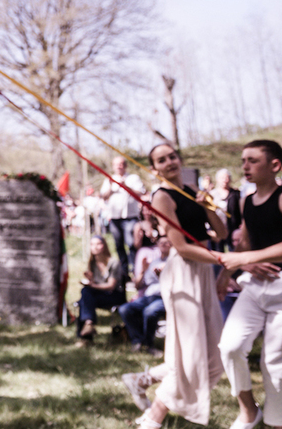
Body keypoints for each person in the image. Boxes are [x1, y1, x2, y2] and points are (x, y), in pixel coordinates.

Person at [122, 143, 227, 428]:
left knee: (213, 353)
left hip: (204, 268)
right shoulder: (162, 197)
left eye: (172, 156)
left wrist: (208, 207)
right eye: (161, 160)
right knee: (190, 353)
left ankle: (142, 380)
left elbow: (220, 232)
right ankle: (153, 418)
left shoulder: (192, 190)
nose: (169, 162)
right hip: (183, 271)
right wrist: (227, 259)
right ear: (154, 168)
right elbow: (181, 247)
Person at [218, 140, 282, 429]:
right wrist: (225, 274)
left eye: (253, 160)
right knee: (230, 347)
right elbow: (245, 242)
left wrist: (245, 258)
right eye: (243, 161)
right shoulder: (246, 201)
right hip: (256, 286)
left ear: (275, 165)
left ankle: (279, 425)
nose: (245, 166)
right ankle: (249, 411)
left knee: (274, 365)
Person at [119, 236, 170, 356]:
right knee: (125, 309)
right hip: (148, 296)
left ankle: (148, 344)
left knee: (150, 312)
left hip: (164, 297)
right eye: (161, 242)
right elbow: (138, 285)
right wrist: (143, 270)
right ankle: (138, 340)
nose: (163, 244)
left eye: (167, 242)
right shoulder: (153, 262)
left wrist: (162, 275)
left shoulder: (174, 262)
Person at [75, 235, 126, 346]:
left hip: (114, 295)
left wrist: (92, 285)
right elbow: (95, 283)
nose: (95, 247)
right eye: (92, 244)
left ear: (104, 246)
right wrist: (90, 279)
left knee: (85, 298)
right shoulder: (92, 263)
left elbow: (111, 286)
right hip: (99, 294)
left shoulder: (113, 263)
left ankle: (85, 335)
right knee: (85, 296)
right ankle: (88, 326)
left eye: (98, 244)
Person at [100, 156, 146, 277]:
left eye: (121, 164)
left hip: (131, 217)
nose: (119, 166)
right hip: (115, 218)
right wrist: (111, 187)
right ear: (113, 166)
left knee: (132, 244)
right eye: (117, 164)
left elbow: (140, 193)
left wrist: (126, 186)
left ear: (125, 165)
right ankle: (124, 273)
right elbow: (103, 196)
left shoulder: (133, 178)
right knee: (119, 245)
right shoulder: (109, 179)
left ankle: (136, 270)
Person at [210, 168, 242, 251]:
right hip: (216, 229)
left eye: (226, 177)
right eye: (222, 178)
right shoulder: (212, 194)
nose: (224, 180)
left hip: (233, 229)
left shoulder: (236, 194)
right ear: (217, 179)